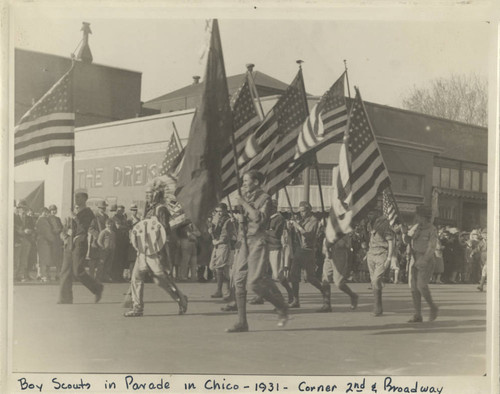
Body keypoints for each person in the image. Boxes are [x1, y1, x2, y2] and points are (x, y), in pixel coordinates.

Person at [227, 170, 289, 333]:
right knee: (238, 279)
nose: (244, 183)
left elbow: (260, 219)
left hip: (257, 242)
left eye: (246, 180)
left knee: (253, 283)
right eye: (243, 180)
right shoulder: (247, 197)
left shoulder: (265, 199)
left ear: (256, 182)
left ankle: (281, 307)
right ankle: (242, 322)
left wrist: (244, 205)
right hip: (244, 241)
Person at [125, 178, 188, 317]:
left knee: (161, 279)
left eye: (150, 193)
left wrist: (161, 249)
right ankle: (137, 308)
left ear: (157, 194)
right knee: (136, 277)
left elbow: (164, 230)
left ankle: (181, 299)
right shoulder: (148, 209)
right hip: (143, 250)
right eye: (146, 193)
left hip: (155, 251)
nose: (147, 196)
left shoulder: (161, 209)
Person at [58, 190, 104, 304]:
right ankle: (65, 298)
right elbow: (65, 227)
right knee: (65, 271)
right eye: (75, 197)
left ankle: (97, 288)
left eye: (78, 197)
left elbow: (83, 227)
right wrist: (64, 235)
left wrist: (75, 217)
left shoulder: (88, 212)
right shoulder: (72, 212)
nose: (76, 199)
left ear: (85, 199)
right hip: (69, 241)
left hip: (79, 242)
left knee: (77, 271)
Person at [285, 201, 325, 309]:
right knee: (294, 276)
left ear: (309, 210)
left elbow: (308, 234)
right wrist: (290, 227)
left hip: (308, 251)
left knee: (310, 278)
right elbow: (294, 235)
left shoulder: (314, 220)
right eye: (300, 211)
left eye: (303, 211)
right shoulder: (302, 220)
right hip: (299, 250)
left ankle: (324, 292)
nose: (301, 213)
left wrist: (297, 226)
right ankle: (296, 300)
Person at [407, 205, 439, 323]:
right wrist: (405, 233)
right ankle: (417, 314)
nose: (416, 218)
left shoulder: (432, 229)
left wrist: (424, 260)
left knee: (421, 285)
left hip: (426, 259)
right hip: (414, 258)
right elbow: (407, 240)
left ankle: (433, 307)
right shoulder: (416, 227)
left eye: (418, 216)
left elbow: (432, 247)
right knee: (414, 288)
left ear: (424, 217)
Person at [319, 234, 359, 312]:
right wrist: (325, 248)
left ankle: (353, 295)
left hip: (339, 253)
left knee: (338, 283)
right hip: (329, 253)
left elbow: (343, 243)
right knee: (325, 279)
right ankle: (327, 305)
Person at [366, 208, 394, 316]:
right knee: (374, 282)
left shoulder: (383, 225)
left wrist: (389, 258)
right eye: (368, 213)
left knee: (375, 280)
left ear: (377, 214)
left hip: (381, 254)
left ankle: (377, 307)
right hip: (371, 254)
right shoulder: (369, 225)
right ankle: (378, 307)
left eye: (371, 213)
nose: (369, 215)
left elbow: (390, 242)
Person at [208, 203, 235, 297]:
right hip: (216, 244)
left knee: (221, 268)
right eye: (217, 211)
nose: (219, 213)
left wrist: (218, 241)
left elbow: (226, 235)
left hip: (223, 244)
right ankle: (227, 289)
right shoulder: (216, 219)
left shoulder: (228, 220)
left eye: (220, 211)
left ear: (225, 210)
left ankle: (221, 290)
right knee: (212, 266)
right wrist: (211, 230)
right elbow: (213, 229)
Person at [14, 200, 35, 282]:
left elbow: (32, 228)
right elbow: (12, 229)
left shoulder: (29, 218)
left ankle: (21, 275)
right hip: (18, 240)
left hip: (27, 240)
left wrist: (30, 231)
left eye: (24, 208)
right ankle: (14, 275)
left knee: (24, 259)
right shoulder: (14, 217)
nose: (23, 210)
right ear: (18, 209)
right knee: (16, 259)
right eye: (21, 208)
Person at [89, 200, 109, 281]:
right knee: (93, 260)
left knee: (102, 260)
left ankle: (98, 277)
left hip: (104, 242)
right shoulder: (94, 217)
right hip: (95, 242)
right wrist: (99, 235)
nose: (103, 209)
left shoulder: (106, 217)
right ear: (98, 208)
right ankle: (90, 277)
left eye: (104, 208)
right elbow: (90, 228)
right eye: (101, 208)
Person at [35, 207, 55, 282]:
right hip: (44, 241)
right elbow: (46, 232)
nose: (47, 213)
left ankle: (40, 274)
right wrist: (52, 239)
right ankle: (44, 275)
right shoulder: (42, 220)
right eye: (45, 212)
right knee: (44, 258)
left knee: (42, 258)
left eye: (47, 212)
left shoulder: (43, 220)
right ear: (42, 212)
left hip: (43, 240)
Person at [111, 205, 130, 282]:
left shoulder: (124, 217)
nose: (120, 212)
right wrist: (126, 227)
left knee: (122, 260)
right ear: (116, 211)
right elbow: (118, 226)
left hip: (124, 241)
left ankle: (120, 276)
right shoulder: (115, 218)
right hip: (117, 241)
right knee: (116, 260)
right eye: (119, 210)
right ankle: (115, 276)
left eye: (122, 211)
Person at [48, 204, 64, 280]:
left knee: (59, 256)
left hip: (57, 239)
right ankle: (47, 274)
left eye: (55, 210)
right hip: (51, 239)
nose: (54, 211)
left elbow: (61, 227)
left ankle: (58, 273)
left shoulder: (58, 219)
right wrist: (53, 231)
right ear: (50, 211)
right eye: (52, 210)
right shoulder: (47, 219)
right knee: (50, 256)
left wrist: (59, 230)